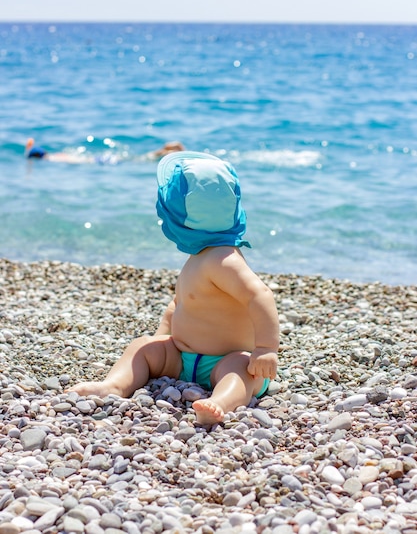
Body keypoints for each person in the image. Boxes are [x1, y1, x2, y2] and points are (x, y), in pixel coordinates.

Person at [70, 151, 280, 426]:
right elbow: (180, 304)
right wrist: (162, 338)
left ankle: (220, 403)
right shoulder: (200, 256)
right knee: (143, 346)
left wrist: (265, 349)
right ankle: (114, 385)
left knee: (239, 370)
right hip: (181, 356)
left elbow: (259, 295)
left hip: (224, 360)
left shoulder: (224, 259)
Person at [24, 138, 185, 164]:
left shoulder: (52, 159)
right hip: (97, 157)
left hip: (97, 161)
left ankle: (169, 153)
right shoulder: (55, 154)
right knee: (137, 158)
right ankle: (165, 150)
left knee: (137, 160)